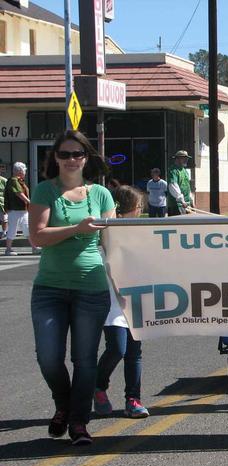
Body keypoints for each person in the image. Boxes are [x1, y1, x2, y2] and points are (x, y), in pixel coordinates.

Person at [29, 129, 115, 445]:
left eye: (76, 154)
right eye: (63, 154)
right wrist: (77, 228)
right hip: (49, 288)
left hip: (91, 288)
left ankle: (78, 421)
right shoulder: (44, 191)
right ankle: (63, 404)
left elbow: (114, 245)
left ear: (86, 158)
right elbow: (37, 237)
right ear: (55, 158)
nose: (70, 159)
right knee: (48, 357)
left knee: (85, 360)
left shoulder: (102, 195)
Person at [94, 186, 149, 419]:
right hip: (112, 301)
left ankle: (133, 399)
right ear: (129, 208)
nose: (140, 212)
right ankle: (98, 385)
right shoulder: (107, 231)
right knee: (118, 347)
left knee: (134, 353)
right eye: (139, 208)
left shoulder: (142, 232)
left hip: (136, 299)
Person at [4, 162, 39, 255]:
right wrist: (29, 202)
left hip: (22, 210)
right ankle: (8, 250)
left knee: (27, 228)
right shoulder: (14, 181)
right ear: (20, 171)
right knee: (13, 229)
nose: (25, 173)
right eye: (24, 171)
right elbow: (18, 193)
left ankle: (34, 248)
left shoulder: (18, 180)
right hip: (15, 210)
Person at [167, 150, 194, 216]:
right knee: (177, 225)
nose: (186, 160)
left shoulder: (185, 171)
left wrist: (191, 200)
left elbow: (187, 187)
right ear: (177, 159)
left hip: (186, 203)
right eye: (184, 158)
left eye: (187, 158)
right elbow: (173, 186)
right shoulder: (172, 170)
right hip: (176, 205)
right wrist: (182, 200)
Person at [0, 163, 8, 240]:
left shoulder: (4, 180)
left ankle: (4, 232)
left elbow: (7, 192)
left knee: (4, 219)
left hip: (2, 202)